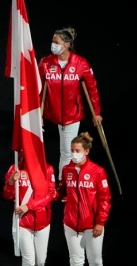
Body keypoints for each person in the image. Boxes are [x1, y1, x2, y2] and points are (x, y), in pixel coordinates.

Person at [38, 27, 102, 179]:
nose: (53, 44)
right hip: (50, 113)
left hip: (71, 115)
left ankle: (63, 185)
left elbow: (92, 88)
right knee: (44, 150)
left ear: (66, 44)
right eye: (53, 41)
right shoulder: (46, 63)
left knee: (66, 152)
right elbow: (38, 89)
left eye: (56, 42)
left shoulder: (81, 63)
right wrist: (36, 113)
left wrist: (97, 112)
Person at [55, 132, 111, 266]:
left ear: (86, 151)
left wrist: (100, 222)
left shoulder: (98, 171)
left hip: (92, 225)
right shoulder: (67, 169)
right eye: (72, 150)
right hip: (71, 224)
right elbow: (61, 192)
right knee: (75, 261)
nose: (74, 153)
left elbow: (105, 198)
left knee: (95, 262)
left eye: (77, 150)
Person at [3, 150, 56, 266]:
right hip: (22, 222)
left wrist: (29, 206)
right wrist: (10, 182)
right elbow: (7, 195)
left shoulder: (48, 169)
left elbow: (51, 194)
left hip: (43, 223)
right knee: (29, 261)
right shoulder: (14, 169)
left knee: (40, 261)